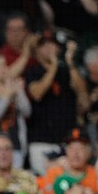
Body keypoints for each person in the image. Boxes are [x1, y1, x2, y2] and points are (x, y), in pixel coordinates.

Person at [25, 32, 88, 176]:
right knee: (46, 183)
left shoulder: (66, 71)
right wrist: (53, 66)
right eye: (44, 45)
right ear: (38, 50)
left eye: (52, 44)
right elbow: (37, 93)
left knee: (69, 182)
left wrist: (70, 63)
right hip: (41, 141)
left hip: (66, 142)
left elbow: (82, 91)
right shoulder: (33, 71)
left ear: (58, 48)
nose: (48, 48)